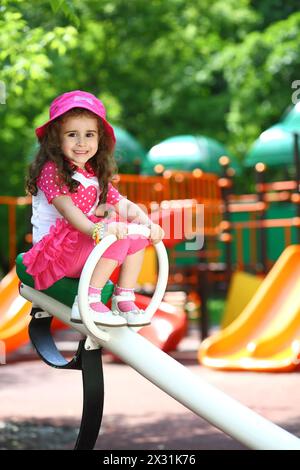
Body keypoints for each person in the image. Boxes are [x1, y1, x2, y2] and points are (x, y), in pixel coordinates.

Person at [24, 90, 164, 327]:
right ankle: (87, 301)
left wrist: (147, 224)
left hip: (84, 245)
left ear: (99, 139)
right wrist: (101, 230)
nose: (81, 142)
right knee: (116, 233)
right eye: (72, 135)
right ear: (56, 139)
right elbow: (71, 213)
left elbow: (122, 204)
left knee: (135, 236)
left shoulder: (93, 173)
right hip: (55, 254)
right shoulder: (52, 171)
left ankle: (123, 298)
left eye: (89, 134)